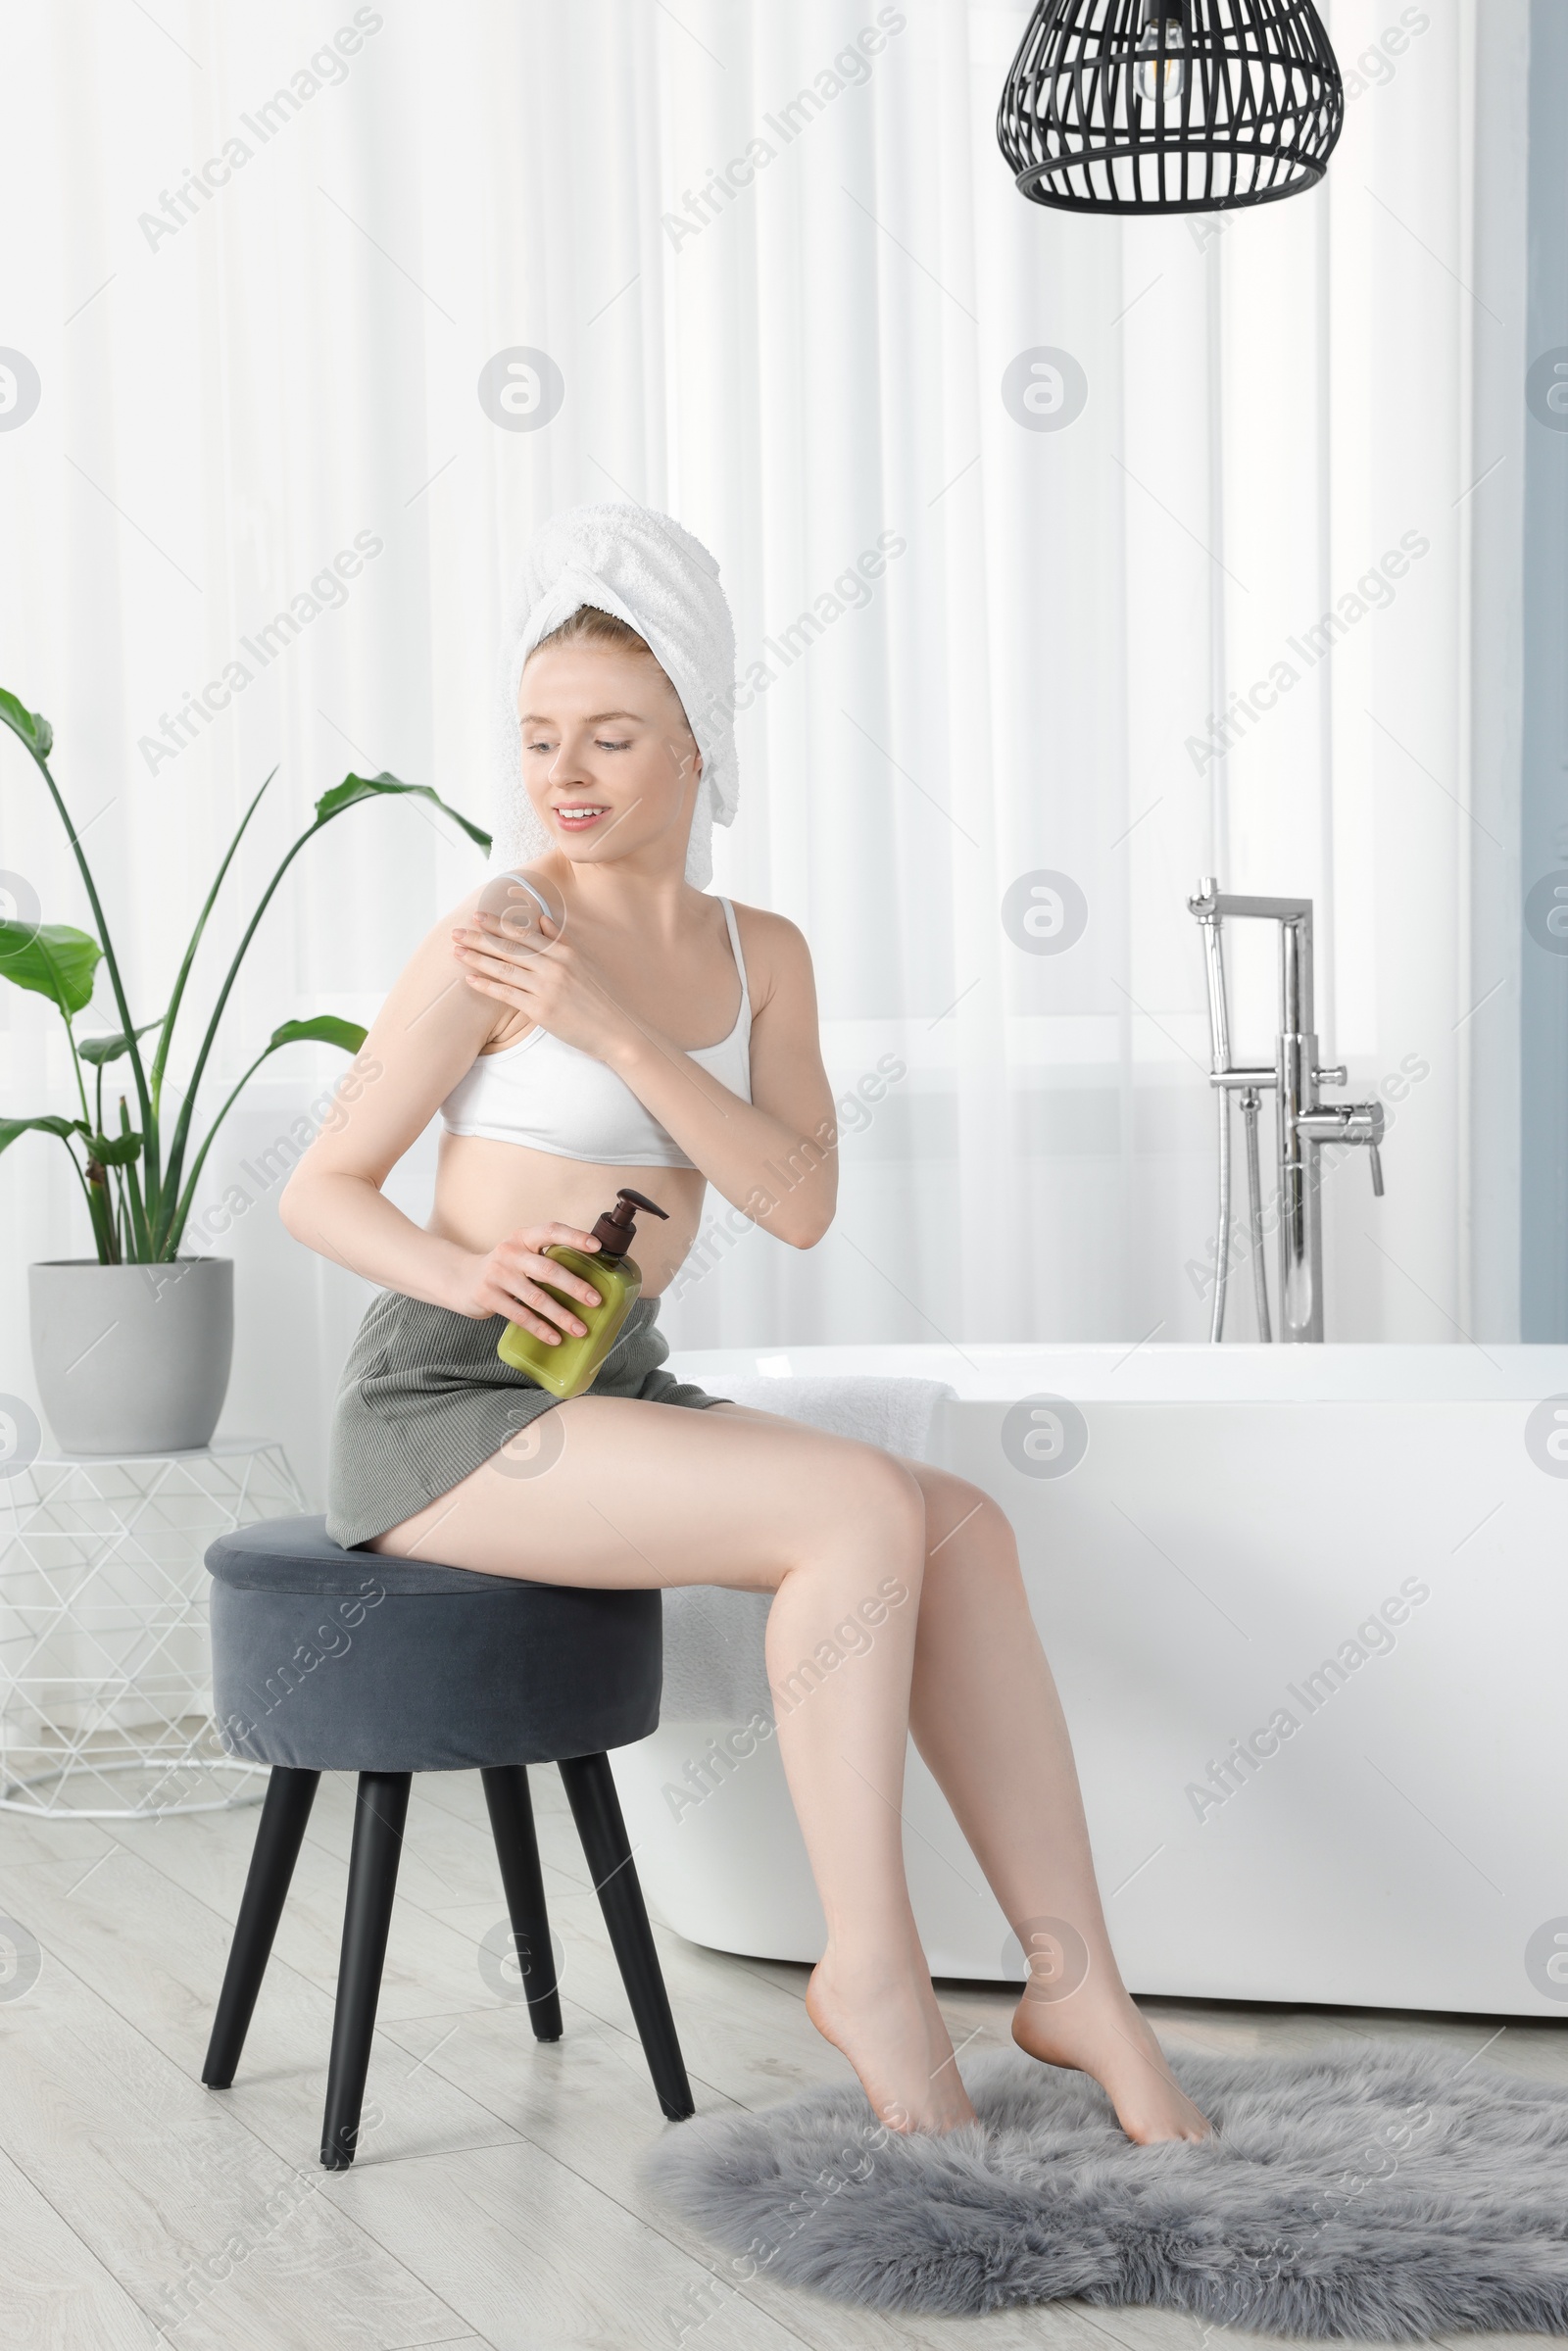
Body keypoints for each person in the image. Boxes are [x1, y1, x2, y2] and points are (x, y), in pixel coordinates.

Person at [280, 502, 1210, 2145]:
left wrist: (617, 1030)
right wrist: (468, 1273)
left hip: (608, 1386)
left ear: (697, 742)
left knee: (963, 1525)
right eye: (540, 737)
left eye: (613, 736)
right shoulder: (493, 939)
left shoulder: (755, 954)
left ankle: (1079, 1987)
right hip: (444, 1407)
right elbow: (325, 1187)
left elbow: (795, 1199)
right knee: (857, 1503)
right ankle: (878, 1975)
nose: (567, 773)